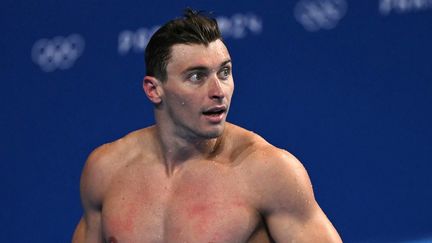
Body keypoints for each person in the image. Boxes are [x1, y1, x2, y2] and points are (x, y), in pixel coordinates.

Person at [72, 8, 342, 243]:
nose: (218, 90)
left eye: (224, 72)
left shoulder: (267, 172)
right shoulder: (106, 171)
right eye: (197, 76)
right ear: (154, 90)